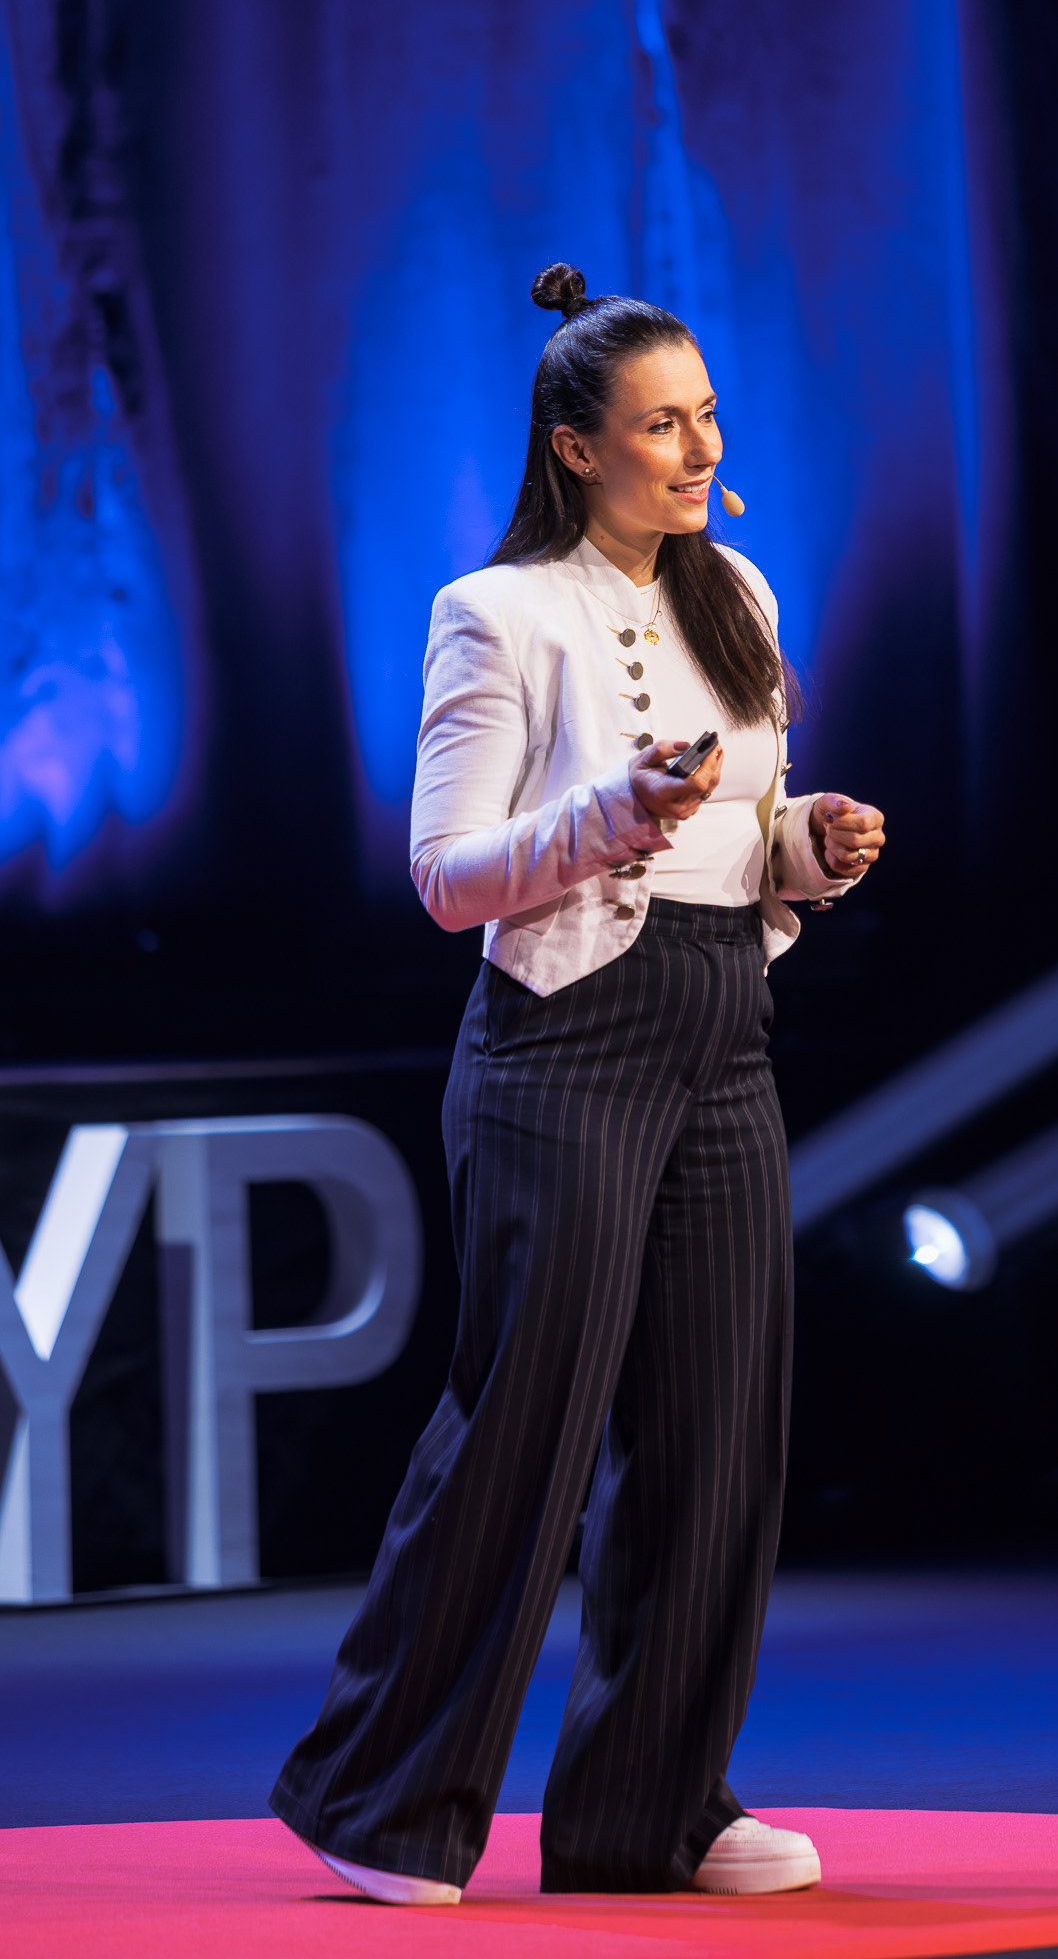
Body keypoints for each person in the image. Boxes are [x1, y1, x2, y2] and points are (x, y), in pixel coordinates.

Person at [270, 263, 886, 1905]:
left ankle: (649, 1808)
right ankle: (380, 1800)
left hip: (721, 1031)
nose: (700, 450)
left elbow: (732, 835)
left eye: (706, 418)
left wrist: (804, 846)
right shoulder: (499, 612)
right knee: (526, 1427)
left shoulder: (737, 592)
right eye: (661, 425)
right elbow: (447, 877)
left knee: (718, 1429)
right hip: (564, 1040)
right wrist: (610, 815)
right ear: (573, 447)